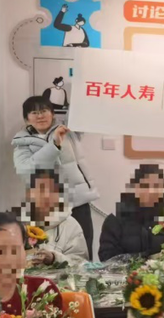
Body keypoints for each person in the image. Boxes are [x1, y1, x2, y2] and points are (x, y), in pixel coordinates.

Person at [12, 96, 99, 259]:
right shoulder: (22, 143)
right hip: (47, 207)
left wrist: (78, 85)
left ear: (52, 114)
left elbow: (84, 111)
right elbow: (27, 171)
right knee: (46, 251)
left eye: (44, 111)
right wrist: (54, 145)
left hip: (77, 200)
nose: (40, 116)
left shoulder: (68, 130)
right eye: (34, 113)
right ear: (26, 119)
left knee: (83, 251)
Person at [98, 164, 164, 262]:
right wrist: (145, 258)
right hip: (126, 271)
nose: (152, 191)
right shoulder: (115, 220)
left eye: (157, 186)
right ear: (135, 188)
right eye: (145, 186)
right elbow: (106, 257)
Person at [17, 170, 89, 267]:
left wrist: (54, 258)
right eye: (41, 190)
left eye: (51, 191)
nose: (46, 196)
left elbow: (81, 264)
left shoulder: (71, 226)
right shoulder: (18, 224)